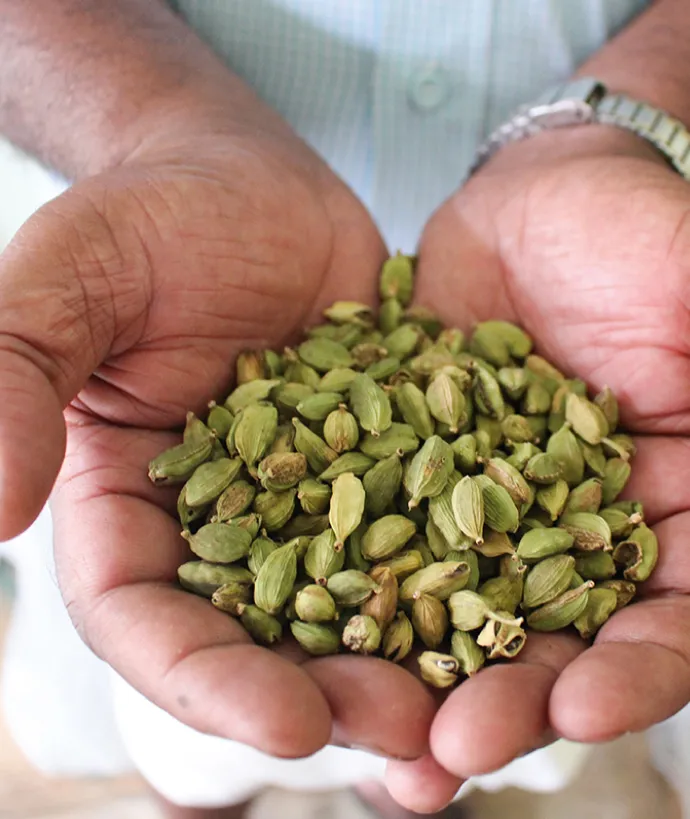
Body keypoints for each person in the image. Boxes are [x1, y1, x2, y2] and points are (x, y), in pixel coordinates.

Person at [1, 1, 690, 816]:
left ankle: (402, 789)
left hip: (587, 256)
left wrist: (640, 107)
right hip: (177, 303)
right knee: (191, 726)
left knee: (432, 743)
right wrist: (159, 123)